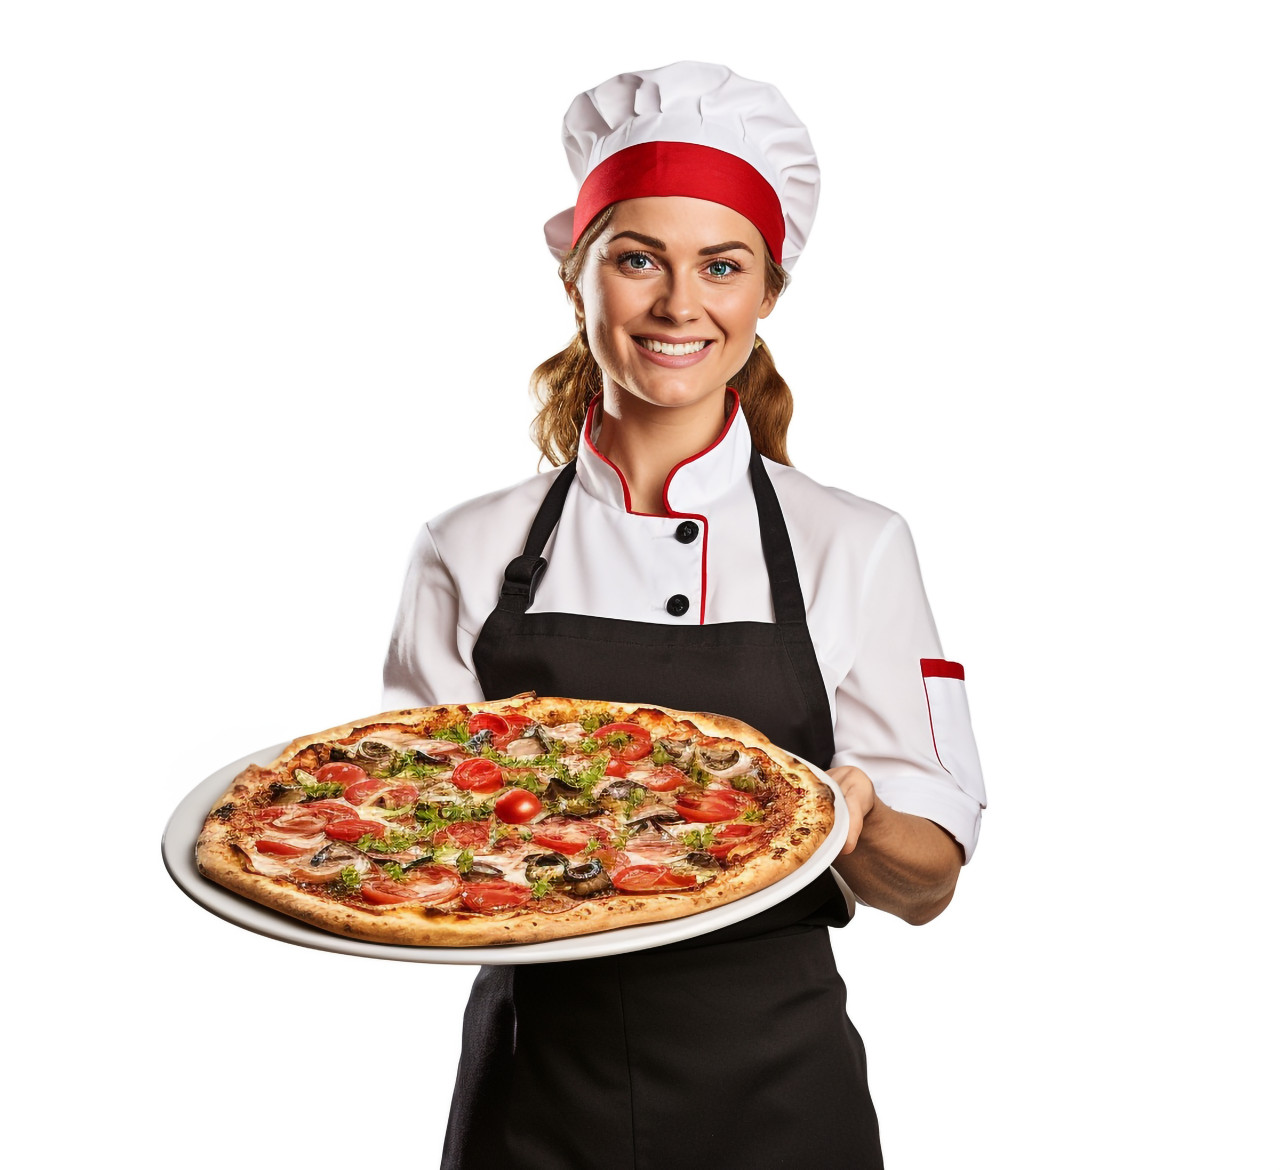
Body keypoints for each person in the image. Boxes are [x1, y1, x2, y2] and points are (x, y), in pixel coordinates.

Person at [383, 61, 986, 1170]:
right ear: (577, 279)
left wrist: (852, 816)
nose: (677, 305)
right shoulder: (465, 547)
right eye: (635, 259)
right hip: (535, 1088)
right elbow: (401, 832)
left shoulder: (854, 543)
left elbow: (929, 884)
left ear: (763, 296)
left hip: (777, 1090)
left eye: (721, 266)